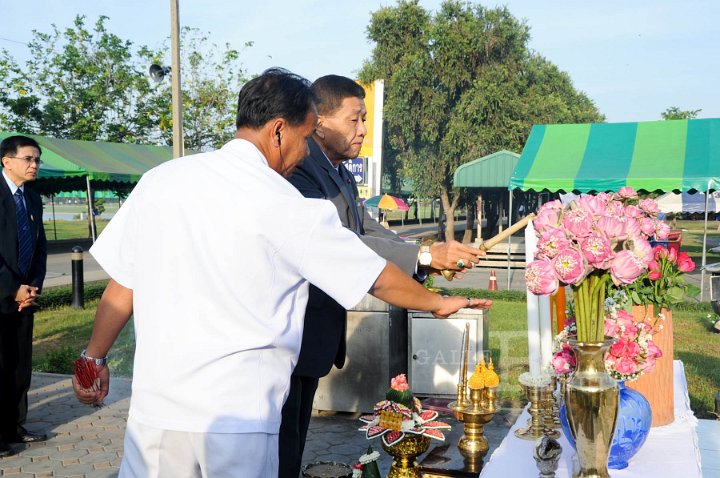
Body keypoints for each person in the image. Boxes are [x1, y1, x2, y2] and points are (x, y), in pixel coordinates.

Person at [72, 68, 491, 477]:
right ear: (277, 131)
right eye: (306, 137)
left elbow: (124, 282)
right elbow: (374, 276)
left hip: (157, 411)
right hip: (238, 415)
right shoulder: (285, 204)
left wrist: (93, 358)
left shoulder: (160, 181)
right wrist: (437, 303)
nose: (307, 152)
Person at [279, 75, 491, 478]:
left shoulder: (337, 171)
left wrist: (426, 257)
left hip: (313, 340)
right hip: (292, 334)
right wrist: (427, 256)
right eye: (354, 119)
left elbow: (369, 228)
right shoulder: (302, 171)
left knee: (293, 445)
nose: (362, 131)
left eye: (364, 120)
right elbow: (344, 243)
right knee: (278, 453)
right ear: (318, 120)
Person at [0, 135, 48, 457]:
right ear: (7, 160)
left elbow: (39, 248)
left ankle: (14, 427)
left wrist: (31, 287)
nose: (34, 165)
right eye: (28, 159)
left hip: (23, 299)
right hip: (2, 294)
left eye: (37, 160)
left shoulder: (31, 199)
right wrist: (10, 287)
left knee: (20, 368)